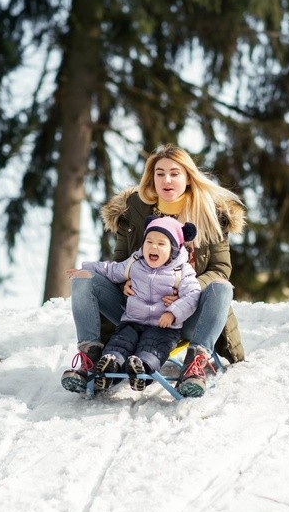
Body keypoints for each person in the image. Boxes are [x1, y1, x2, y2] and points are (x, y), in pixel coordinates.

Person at [61, 145, 246, 397]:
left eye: (174, 173)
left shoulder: (209, 212)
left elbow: (221, 269)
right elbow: (120, 262)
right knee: (85, 280)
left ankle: (195, 364)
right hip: (136, 312)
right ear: (151, 177)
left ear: (188, 178)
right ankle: (90, 358)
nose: (166, 180)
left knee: (222, 288)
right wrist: (123, 281)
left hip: (185, 316)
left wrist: (184, 292)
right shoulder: (134, 209)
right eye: (159, 173)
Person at [65, 216, 202, 394]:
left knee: (152, 348)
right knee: (120, 343)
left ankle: (142, 370)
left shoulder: (182, 271)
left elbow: (193, 295)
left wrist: (173, 313)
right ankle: (109, 367)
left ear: (174, 250)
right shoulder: (134, 263)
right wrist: (85, 267)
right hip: (132, 321)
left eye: (161, 244)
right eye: (149, 241)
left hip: (162, 327)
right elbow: (110, 269)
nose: (153, 247)